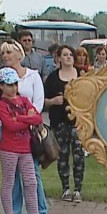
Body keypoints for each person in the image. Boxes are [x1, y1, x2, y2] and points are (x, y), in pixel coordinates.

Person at [0, 41, 49, 214]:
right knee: (10, 179)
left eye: (9, 52)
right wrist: (18, 120)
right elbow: (3, 117)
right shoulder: (1, 96)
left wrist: (19, 119)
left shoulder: (31, 79)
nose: (5, 56)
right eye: (3, 53)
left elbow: (37, 113)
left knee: (32, 178)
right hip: (8, 139)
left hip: (27, 140)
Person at [44, 45, 85, 203]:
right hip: (59, 122)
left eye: (71, 55)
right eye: (65, 55)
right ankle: (65, 188)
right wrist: (53, 101)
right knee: (62, 155)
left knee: (79, 156)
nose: (68, 57)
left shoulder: (81, 76)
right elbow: (44, 101)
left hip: (78, 122)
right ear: (59, 58)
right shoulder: (53, 78)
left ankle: (78, 189)